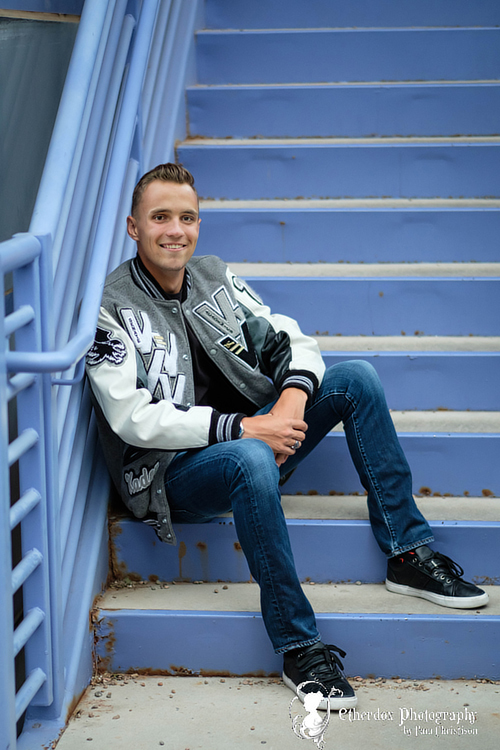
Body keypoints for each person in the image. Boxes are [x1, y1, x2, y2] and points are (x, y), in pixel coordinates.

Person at [86, 163, 489, 711]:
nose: (175, 230)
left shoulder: (214, 277)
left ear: (199, 224)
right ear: (134, 227)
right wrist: (248, 428)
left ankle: (406, 553)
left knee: (356, 378)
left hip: (258, 439)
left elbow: (290, 336)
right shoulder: (111, 306)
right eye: (160, 217)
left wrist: (292, 402)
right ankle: (299, 646)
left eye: (187, 217)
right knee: (251, 457)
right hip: (173, 474)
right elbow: (131, 416)